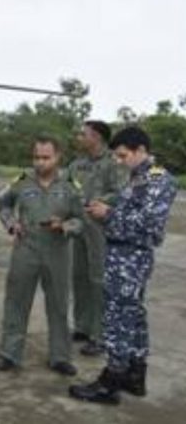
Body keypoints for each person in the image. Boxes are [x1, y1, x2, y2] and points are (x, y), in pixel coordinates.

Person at [69, 126, 177, 405]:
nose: (119, 160)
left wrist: (108, 214)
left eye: (123, 155)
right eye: (116, 155)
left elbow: (150, 225)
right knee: (134, 318)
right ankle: (134, 375)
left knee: (118, 319)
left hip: (131, 259)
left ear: (141, 150)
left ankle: (111, 381)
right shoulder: (138, 176)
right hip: (123, 256)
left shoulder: (157, 179)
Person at [0, 136, 84, 376]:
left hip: (58, 252)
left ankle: (60, 356)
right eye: (36, 157)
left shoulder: (70, 185)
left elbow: (82, 219)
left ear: (58, 157)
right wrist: (11, 223)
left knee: (59, 305)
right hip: (26, 249)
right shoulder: (22, 181)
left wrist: (65, 225)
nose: (40, 163)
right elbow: (2, 203)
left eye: (46, 157)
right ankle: (9, 354)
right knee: (16, 302)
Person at [67, 120, 128, 356]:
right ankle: (82, 327)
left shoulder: (114, 163)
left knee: (98, 280)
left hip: (100, 228)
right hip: (78, 226)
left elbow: (122, 191)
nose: (79, 137)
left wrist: (102, 202)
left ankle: (100, 335)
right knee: (79, 277)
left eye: (84, 134)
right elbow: (67, 189)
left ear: (97, 138)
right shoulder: (76, 165)